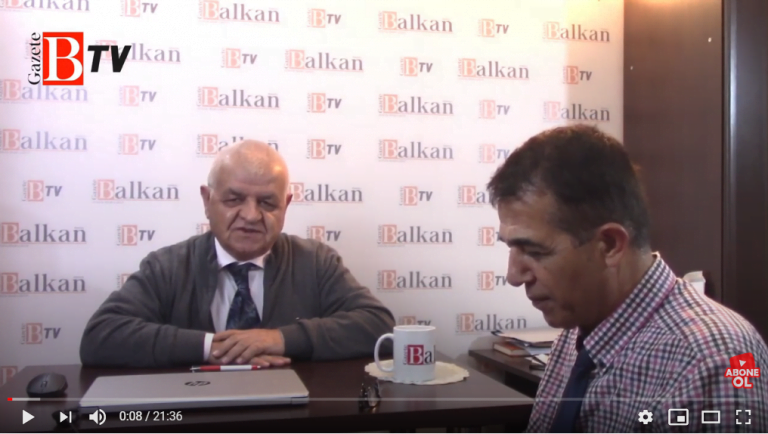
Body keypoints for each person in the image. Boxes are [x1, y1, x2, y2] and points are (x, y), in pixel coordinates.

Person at [486, 125, 768, 432]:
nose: (513, 276)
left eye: (535, 251)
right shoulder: (578, 326)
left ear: (609, 245)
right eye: (511, 248)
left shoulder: (716, 361)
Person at [80, 140, 395, 368]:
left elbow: (378, 325)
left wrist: (279, 339)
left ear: (286, 205)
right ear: (207, 201)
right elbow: (100, 336)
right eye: (234, 200)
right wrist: (210, 348)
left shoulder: (315, 262)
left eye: (267, 203)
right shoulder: (168, 266)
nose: (251, 215)